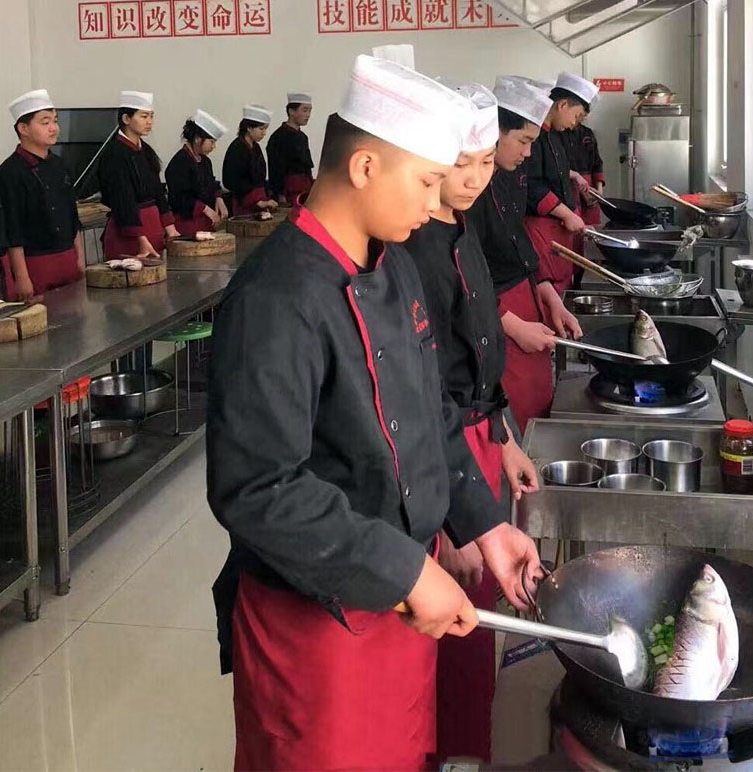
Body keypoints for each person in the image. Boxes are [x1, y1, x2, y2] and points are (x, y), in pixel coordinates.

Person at [207, 55, 543, 772]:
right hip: (316, 627)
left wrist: (483, 524)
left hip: (401, 607)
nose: (434, 201)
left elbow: (430, 411)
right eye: (425, 181)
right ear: (364, 166)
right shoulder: (276, 297)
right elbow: (257, 488)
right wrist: (405, 571)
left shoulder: (393, 266)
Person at [404, 80, 540, 763]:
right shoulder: (409, 248)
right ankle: (447, 753)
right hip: (440, 457)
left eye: (487, 161)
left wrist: (505, 437)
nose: (476, 177)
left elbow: (481, 351)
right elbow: (422, 392)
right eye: (462, 163)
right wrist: (459, 520)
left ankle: (466, 749)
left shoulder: (464, 227)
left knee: (473, 624)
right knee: (448, 628)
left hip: (478, 443)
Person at [468, 77, 582, 431]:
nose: (528, 153)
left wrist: (549, 296)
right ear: (494, 133)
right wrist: (513, 326)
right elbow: (461, 278)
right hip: (494, 309)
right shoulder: (468, 190)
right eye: (523, 141)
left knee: (538, 400)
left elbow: (517, 242)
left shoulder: (510, 174)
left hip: (524, 295)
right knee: (515, 412)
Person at [0, 89, 85, 299]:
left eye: (55, 121)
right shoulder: (10, 171)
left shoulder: (60, 165)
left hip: (68, 258)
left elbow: (72, 216)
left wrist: (80, 258)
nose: (54, 128)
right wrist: (22, 277)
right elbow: (12, 228)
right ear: (23, 128)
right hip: (35, 264)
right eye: (45, 122)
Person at [523, 72, 599, 295]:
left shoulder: (555, 135)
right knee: (550, 287)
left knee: (564, 284)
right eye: (576, 116)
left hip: (559, 227)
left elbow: (556, 173)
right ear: (563, 105)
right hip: (541, 228)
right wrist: (567, 214)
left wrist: (572, 177)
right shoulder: (535, 137)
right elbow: (532, 185)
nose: (575, 123)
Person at [97, 91, 177, 260]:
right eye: (143, 116)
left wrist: (170, 227)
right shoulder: (114, 153)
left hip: (152, 226)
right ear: (126, 119)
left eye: (151, 116)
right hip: (129, 233)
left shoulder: (146, 150)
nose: (149, 122)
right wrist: (140, 237)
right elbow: (122, 199)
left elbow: (157, 191)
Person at [165, 110, 229, 237]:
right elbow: (179, 198)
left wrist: (219, 198)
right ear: (197, 139)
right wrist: (205, 209)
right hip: (187, 224)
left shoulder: (205, 161)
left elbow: (211, 183)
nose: (213, 147)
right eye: (211, 142)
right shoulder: (180, 162)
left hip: (205, 223)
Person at [565, 121, 605, 289]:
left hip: (590, 190)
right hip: (570, 187)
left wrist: (598, 191)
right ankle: (577, 283)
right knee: (575, 237)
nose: (579, 118)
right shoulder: (559, 133)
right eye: (578, 114)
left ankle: (592, 277)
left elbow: (597, 163)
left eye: (583, 115)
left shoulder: (587, 133)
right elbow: (559, 169)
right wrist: (578, 184)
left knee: (592, 238)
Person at [222, 105, 277, 216]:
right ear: (249, 128)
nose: (264, 133)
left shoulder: (256, 147)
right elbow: (231, 181)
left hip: (260, 201)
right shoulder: (236, 148)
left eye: (265, 129)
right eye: (261, 129)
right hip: (243, 203)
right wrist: (255, 200)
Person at [266, 92, 314, 206]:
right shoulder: (278, 137)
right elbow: (275, 168)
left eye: (309, 111)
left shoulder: (303, 137)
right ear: (291, 111)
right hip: (289, 191)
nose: (308, 115)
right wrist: (279, 193)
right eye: (304, 110)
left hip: (305, 189)